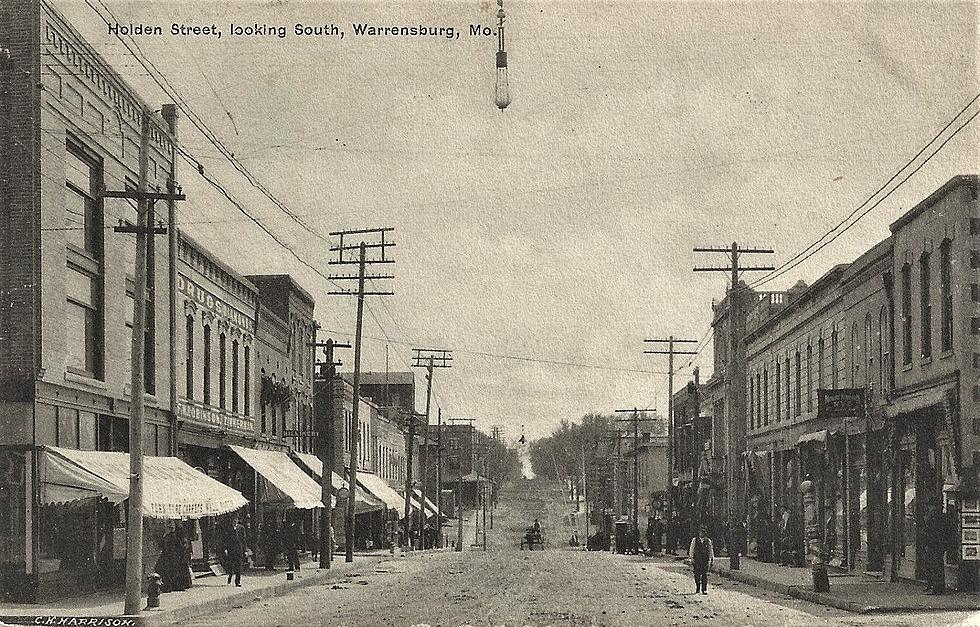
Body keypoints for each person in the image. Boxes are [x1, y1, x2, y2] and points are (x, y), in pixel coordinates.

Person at [689, 525, 714, 594]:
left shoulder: (708, 541)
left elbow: (710, 550)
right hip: (697, 559)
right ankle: (697, 587)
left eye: (703, 532)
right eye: (701, 532)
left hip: (704, 560)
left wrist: (711, 559)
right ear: (699, 533)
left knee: (704, 575)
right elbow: (692, 549)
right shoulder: (695, 540)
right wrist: (691, 558)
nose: (702, 534)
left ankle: (704, 589)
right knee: (697, 574)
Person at [225, 514, 246, 587]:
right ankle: (230, 575)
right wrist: (226, 549)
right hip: (231, 548)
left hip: (238, 549)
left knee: (238, 565)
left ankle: (237, 581)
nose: (234, 521)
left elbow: (243, 539)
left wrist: (245, 550)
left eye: (236, 519)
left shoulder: (241, 528)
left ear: (238, 520)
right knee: (230, 564)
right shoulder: (228, 528)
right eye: (233, 520)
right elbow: (226, 539)